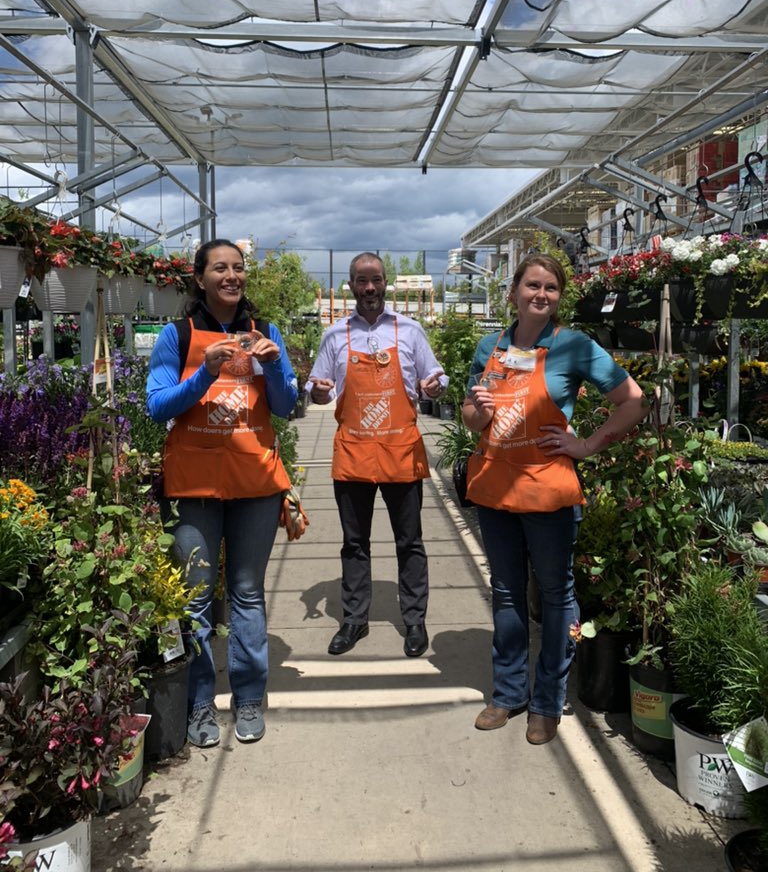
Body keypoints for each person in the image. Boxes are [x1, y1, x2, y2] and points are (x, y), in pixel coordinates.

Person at [462, 253, 647, 745]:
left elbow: (633, 400)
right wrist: (476, 412)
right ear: (514, 291)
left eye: (550, 288)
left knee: (555, 593)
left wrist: (585, 445)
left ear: (559, 296)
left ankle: (546, 701)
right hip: (495, 488)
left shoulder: (574, 347)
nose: (540, 294)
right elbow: (471, 417)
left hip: (547, 489)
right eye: (532, 285)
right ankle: (507, 693)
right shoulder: (490, 345)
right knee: (505, 591)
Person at [146, 238, 303, 749]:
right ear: (199, 278)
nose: (231, 276)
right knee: (194, 598)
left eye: (238, 268)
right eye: (220, 268)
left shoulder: (265, 334)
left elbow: (284, 406)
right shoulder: (178, 335)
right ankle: (197, 704)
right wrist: (205, 373)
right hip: (195, 485)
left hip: (255, 483)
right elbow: (157, 405)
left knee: (248, 593)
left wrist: (276, 364)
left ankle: (249, 696)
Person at [308, 252, 447, 658]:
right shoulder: (335, 336)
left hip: (400, 451)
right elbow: (321, 386)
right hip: (353, 453)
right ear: (349, 285)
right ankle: (354, 620)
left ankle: (415, 620)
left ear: (386, 283)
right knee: (354, 542)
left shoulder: (411, 331)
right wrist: (316, 392)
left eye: (376, 280)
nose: (370, 288)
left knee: (411, 542)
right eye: (361, 280)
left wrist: (433, 386)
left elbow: (432, 377)